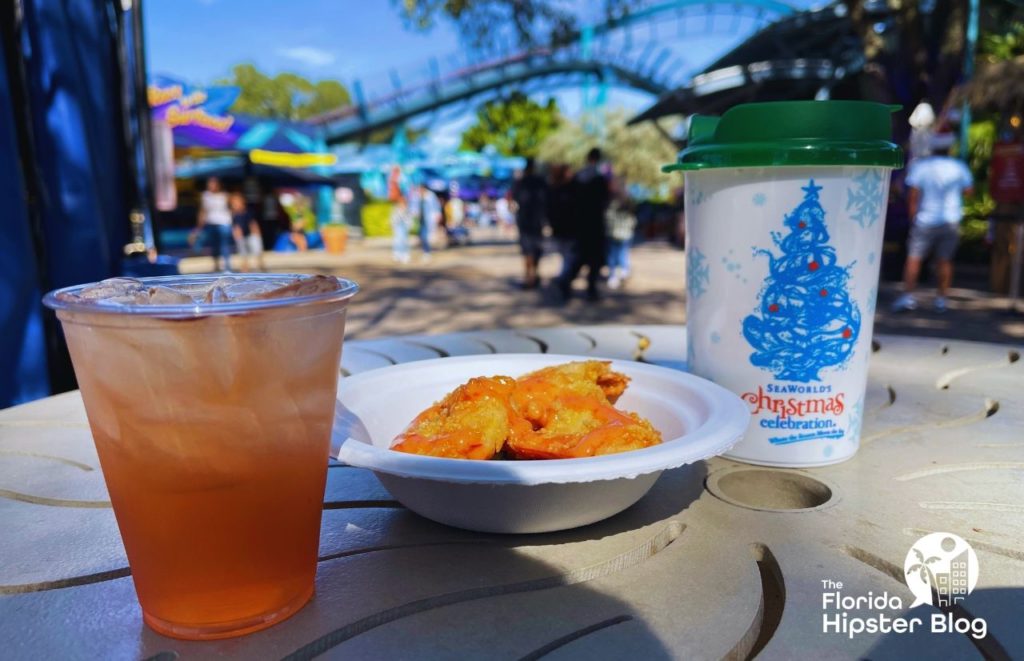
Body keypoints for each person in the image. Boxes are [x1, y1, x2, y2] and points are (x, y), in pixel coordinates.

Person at [892, 147, 974, 312]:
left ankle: (908, 296)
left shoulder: (922, 166)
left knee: (914, 258)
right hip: (950, 219)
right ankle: (941, 299)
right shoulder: (958, 167)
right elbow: (969, 191)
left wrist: (913, 217)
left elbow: (913, 195)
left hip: (925, 219)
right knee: (945, 261)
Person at [560, 147, 610, 301]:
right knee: (592, 258)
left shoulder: (578, 177)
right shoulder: (599, 178)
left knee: (581, 257)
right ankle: (590, 289)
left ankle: (568, 282)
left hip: (580, 224)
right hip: (594, 225)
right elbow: (605, 201)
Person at [511, 158, 548, 289]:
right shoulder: (541, 182)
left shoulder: (520, 182)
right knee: (535, 249)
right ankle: (533, 275)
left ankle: (529, 277)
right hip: (536, 222)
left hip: (526, 222)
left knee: (528, 251)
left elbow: (514, 199)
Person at [191, 177, 233, 271]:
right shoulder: (205, 196)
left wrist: (232, 221)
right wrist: (199, 226)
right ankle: (217, 266)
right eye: (209, 183)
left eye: (213, 183)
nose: (211, 185)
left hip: (224, 223)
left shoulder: (225, 195)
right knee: (214, 246)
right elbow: (203, 211)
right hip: (211, 223)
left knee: (224, 245)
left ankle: (227, 268)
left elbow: (232, 208)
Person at [605, 180, 637, 289]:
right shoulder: (628, 200)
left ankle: (613, 275)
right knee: (622, 252)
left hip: (613, 232)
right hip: (625, 233)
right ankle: (624, 271)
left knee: (613, 255)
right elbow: (632, 218)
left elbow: (608, 217)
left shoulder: (611, 201)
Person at [547, 163, 575, 283]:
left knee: (567, 254)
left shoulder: (555, 189)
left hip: (563, 228)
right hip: (564, 228)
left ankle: (564, 276)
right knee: (567, 254)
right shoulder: (564, 190)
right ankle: (565, 276)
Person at [230, 192, 264, 272]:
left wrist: (257, 235)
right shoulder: (234, 215)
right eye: (233, 204)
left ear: (242, 202)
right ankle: (245, 270)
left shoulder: (248, 212)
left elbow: (253, 224)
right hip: (241, 237)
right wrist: (236, 236)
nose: (235, 205)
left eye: (237, 203)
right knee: (243, 254)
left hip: (251, 235)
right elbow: (235, 227)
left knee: (257, 252)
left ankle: (260, 268)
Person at [416, 183, 441, 261]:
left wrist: (437, 215)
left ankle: (426, 252)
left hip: (428, 219)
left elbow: (436, 206)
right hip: (420, 220)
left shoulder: (430, 196)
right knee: (422, 237)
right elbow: (414, 207)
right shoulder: (417, 196)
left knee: (425, 236)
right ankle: (425, 251)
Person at [390, 195, 412, 264]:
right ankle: (397, 254)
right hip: (398, 226)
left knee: (404, 241)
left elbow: (409, 219)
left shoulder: (407, 210)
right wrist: (393, 225)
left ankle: (405, 255)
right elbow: (393, 218)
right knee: (397, 241)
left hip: (404, 227)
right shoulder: (396, 209)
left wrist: (409, 226)